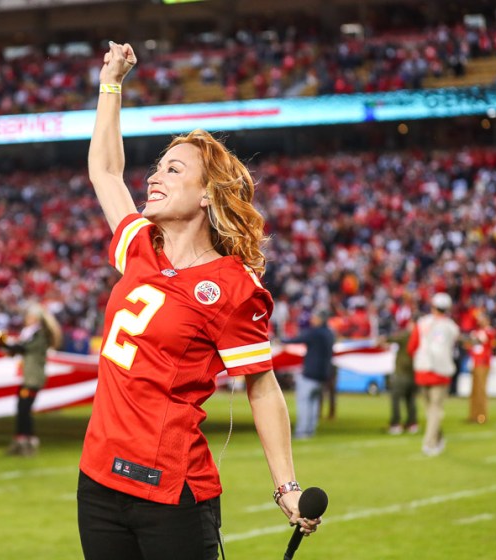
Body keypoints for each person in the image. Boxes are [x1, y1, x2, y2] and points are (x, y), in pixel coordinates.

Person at [77, 42, 319, 560]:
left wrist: (286, 486)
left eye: (173, 170)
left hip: (170, 491)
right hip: (97, 481)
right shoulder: (139, 247)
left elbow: (261, 386)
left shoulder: (233, 286)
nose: (154, 177)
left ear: (207, 194)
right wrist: (110, 83)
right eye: (158, 167)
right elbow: (104, 171)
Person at [0, 302, 62, 457]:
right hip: (28, 377)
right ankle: (23, 439)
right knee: (22, 408)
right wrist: (6, 346)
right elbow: (21, 349)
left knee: (24, 409)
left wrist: (5, 344)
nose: (27, 319)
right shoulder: (32, 334)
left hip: (33, 378)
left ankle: (26, 441)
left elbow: (23, 348)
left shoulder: (38, 335)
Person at [409, 292, 461, 457]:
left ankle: (436, 440)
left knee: (429, 409)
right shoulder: (452, 327)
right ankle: (431, 442)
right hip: (441, 371)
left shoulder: (422, 323)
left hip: (422, 370)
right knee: (435, 410)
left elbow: (412, 347)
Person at [281, 310, 335, 440]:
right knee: (314, 403)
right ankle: (310, 429)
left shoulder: (316, 333)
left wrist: (281, 340)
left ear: (321, 319)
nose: (312, 320)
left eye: (315, 317)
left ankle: (302, 431)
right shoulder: (330, 333)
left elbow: (297, 339)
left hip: (310, 373)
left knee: (304, 402)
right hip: (322, 375)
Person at [381, 321, 418, 435]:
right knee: (411, 400)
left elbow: (391, 338)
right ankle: (412, 424)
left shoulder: (407, 335)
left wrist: (383, 339)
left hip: (402, 373)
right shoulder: (422, 337)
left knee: (396, 398)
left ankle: (396, 424)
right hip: (414, 373)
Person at [466, 309, 495, 425]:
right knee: (474, 391)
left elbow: (481, 340)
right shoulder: (478, 331)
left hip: (483, 363)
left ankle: (481, 416)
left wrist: (472, 338)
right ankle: (473, 415)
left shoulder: (488, 331)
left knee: (481, 391)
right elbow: (469, 345)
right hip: (475, 362)